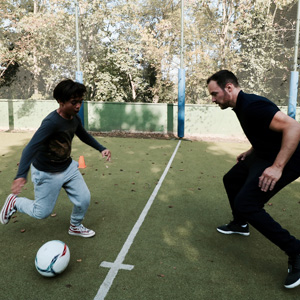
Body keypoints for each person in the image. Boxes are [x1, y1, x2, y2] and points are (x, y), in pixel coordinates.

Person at [207, 70, 300, 289]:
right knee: (231, 179)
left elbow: (294, 127)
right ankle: (240, 224)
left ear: (229, 88)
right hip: (263, 154)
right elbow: (266, 132)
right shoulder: (239, 106)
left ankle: (295, 250)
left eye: (214, 93)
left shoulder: (252, 105)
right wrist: (251, 151)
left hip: (289, 158)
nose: (212, 99)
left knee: (247, 203)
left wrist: (277, 167)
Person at [0, 79, 111, 238]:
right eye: (74, 102)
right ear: (60, 101)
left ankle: (75, 226)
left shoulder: (74, 118)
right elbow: (30, 148)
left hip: (67, 167)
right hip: (47, 172)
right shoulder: (51, 122)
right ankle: (14, 202)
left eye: (80, 101)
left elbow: (83, 135)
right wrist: (21, 175)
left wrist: (102, 148)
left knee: (84, 198)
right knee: (41, 212)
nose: (78, 106)